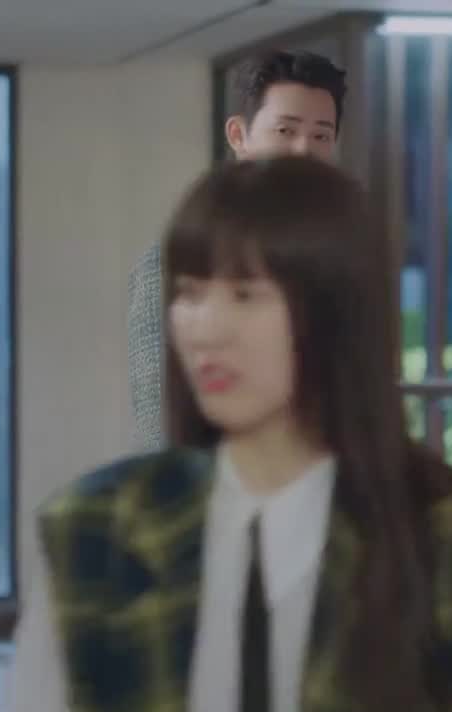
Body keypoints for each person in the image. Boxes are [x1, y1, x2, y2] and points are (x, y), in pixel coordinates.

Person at [36, 157, 452, 712]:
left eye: (245, 294)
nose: (205, 329)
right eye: (190, 293)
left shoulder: (451, 538)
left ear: (333, 311)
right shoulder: (94, 529)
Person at [128, 49, 347, 451]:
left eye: (321, 136)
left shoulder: (344, 259)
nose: (303, 151)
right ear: (238, 135)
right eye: (286, 130)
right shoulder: (179, 261)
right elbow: (159, 414)